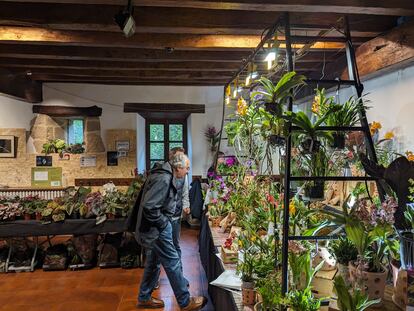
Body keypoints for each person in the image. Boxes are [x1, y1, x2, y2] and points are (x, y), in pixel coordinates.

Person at [136, 153, 207, 310]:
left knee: (154, 262)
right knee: (173, 261)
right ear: (178, 167)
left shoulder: (166, 174)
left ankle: (144, 297)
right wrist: (164, 223)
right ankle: (185, 301)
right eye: (187, 168)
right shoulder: (164, 178)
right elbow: (149, 207)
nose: (187, 171)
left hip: (158, 226)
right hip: (158, 227)